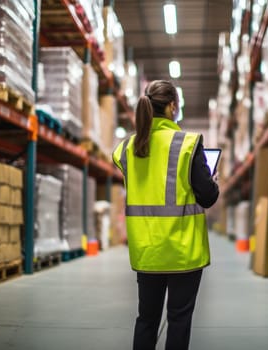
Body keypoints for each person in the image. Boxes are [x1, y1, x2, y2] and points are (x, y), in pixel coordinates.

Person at [112, 80, 219, 350]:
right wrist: (211, 179)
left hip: (147, 251)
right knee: (178, 320)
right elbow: (208, 196)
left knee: (146, 319)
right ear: (172, 107)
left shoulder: (127, 148)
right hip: (183, 251)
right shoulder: (188, 143)